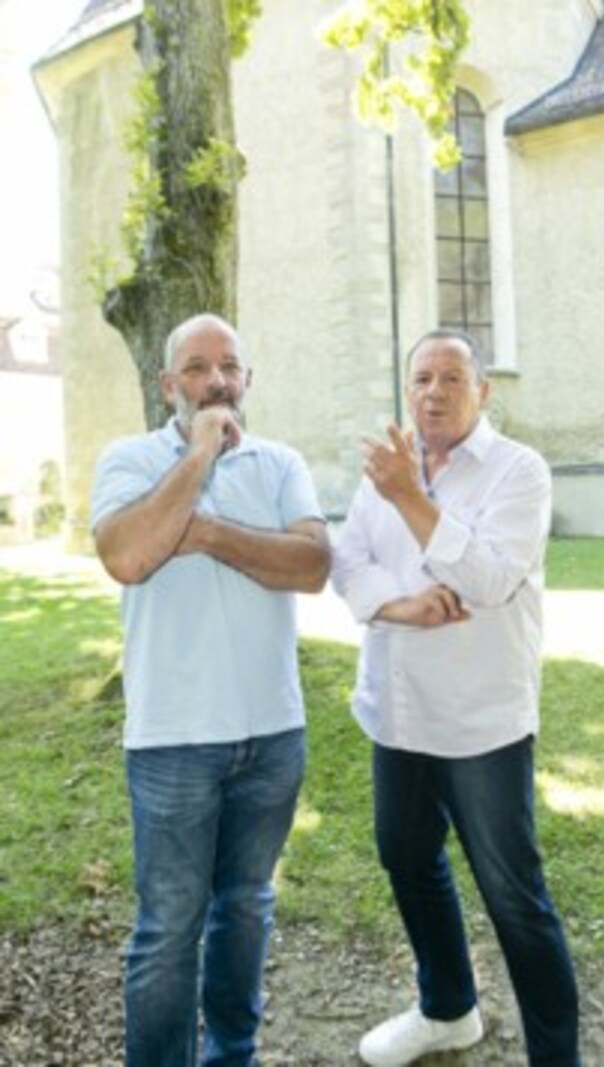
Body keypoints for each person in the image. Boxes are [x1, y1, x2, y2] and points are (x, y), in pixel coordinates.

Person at [331, 329, 580, 1066]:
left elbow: (493, 578)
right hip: (398, 711)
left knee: (514, 897)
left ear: (483, 391)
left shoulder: (517, 471)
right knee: (405, 855)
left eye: (450, 377)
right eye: (420, 379)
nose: (433, 392)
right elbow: (347, 559)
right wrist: (399, 606)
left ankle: (556, 1057)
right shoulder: (387, 469)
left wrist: (410, 499)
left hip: (481, 723)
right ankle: (448, 1008)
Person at [90, 313, 330, 1066]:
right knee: (168, 927)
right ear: (168, 385)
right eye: (197, 367)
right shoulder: (128, 460)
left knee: (248, 907)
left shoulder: (280, 462)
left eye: (229, 365)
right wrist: (197, 457)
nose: (216, 380)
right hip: (172, 740)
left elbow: (313, 565)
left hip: (272, 736)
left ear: (248, 378)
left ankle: (233, 1053)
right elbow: (129, 554)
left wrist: (207, 533)